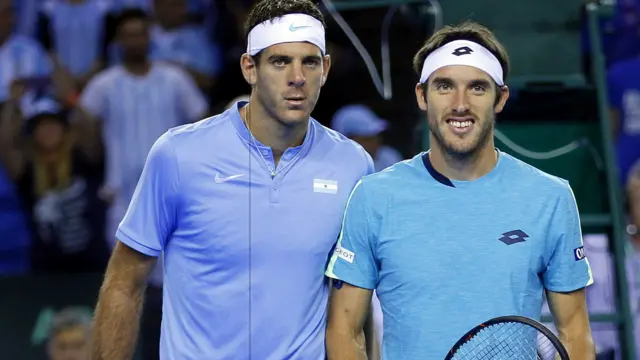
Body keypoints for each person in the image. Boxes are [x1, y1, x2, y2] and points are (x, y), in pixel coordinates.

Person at [91, 0, 374, 359]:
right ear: (249, 68)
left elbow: (357, 312)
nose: (297, 77)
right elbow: (124, 283)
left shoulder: (354, 165)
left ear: (326, 68)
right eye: (280, 61)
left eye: (310, 61)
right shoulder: (179, 154)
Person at [325, 21, 596, 359]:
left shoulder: (551, 198)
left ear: (501, 98)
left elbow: (575, 335)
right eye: (444, 86)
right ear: (422, 96)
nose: (460, 104)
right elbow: (343, 333)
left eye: (478, 88)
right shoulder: (374, 196)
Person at [331, 104, 403, 172]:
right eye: (367, 139)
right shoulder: (332, 167)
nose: (375, 143)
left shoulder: (389, 157)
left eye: (376, 136)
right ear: (346, 141)